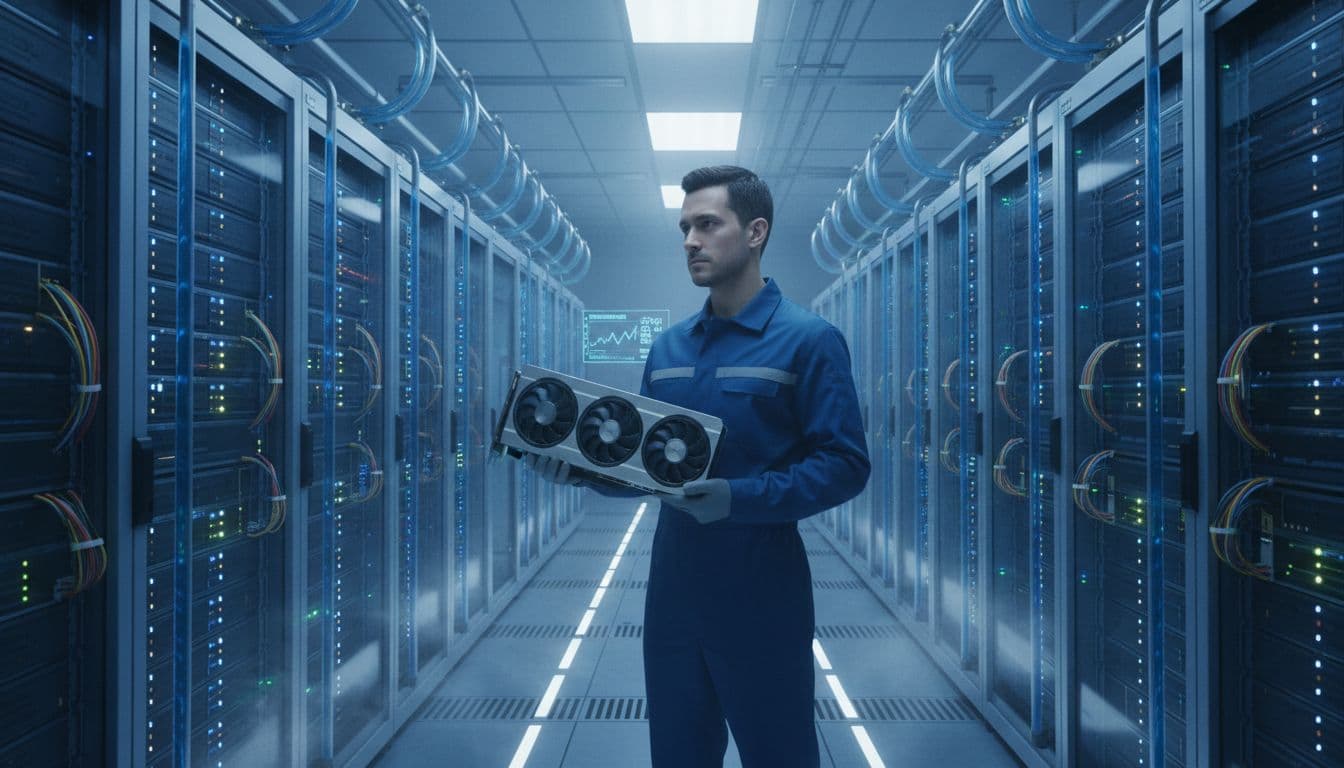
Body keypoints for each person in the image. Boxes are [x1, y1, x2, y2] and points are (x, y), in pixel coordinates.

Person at [526, 165, 870, 767]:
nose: (690, 240)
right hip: (673, 594)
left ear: (756, 231)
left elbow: (845, 465)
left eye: (707, 224)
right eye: (685, 227)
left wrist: (740, 498)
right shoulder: (669, 348)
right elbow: (645, 466)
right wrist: (578, 468)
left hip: (763, 595)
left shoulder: (809, 340)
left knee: (780, 755)